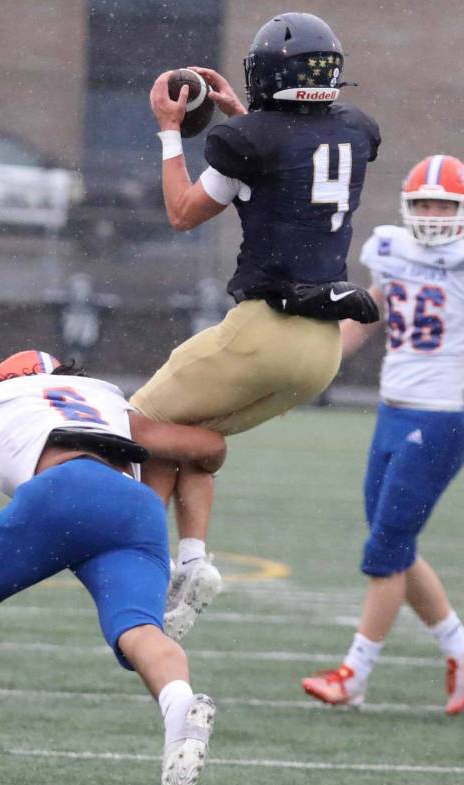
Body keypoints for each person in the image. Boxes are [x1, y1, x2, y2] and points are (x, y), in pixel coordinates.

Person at [0, 350, 226, 785]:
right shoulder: (103, 401)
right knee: (140, 630)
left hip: (62, 490)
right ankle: (179, 709)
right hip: (134, 509)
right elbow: (209, 448)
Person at [130, 12, 382, 641]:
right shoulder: (356, 130)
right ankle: (191, 563)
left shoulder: (249, 142)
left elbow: (185, 213)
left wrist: (169, 132)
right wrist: (246, 117)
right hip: (321, 351)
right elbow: (294, 160)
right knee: (184, 436)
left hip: (263, 330)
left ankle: (144, 565)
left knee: (135, 427)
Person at [301, 154, 464, 714]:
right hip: (392, 416)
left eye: (446, 204)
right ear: (406, 208)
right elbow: (367, 320)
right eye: (425, 204)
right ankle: (462, 650)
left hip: (438, 422)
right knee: (395, 543)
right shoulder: (393, 252)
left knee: (385, 551)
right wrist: (310, 371)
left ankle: (355, 674)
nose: (435, 215)